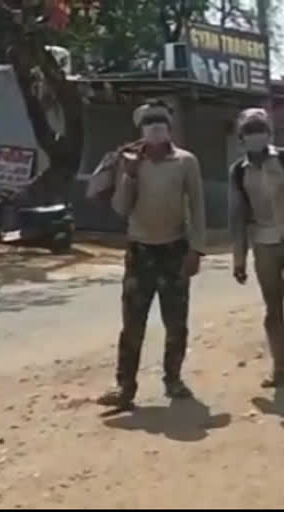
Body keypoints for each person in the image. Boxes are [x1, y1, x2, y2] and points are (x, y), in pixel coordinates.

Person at [96, 99, 206, 410]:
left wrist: (196, 249)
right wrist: (129, 175)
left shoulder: (186, 162)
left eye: (161, 128)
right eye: (150, 128)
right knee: (132, 324)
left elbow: (197, 207)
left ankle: (173, 379)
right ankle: (125, 387)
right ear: (142, 132)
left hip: (174, 249)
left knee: (176, 323)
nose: (155, 134)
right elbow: (120, 208)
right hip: (140, 251)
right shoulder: (131, 161)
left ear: (169, 131)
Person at [229, 108, 284, 392]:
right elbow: (237, 217)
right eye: (250, 131)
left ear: (269, 133)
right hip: (263, 243)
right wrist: (239, 258)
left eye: (260, 130)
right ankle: (280, 367)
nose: (256, 135)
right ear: (242, 139)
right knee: (272, 309)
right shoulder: (238, 171)